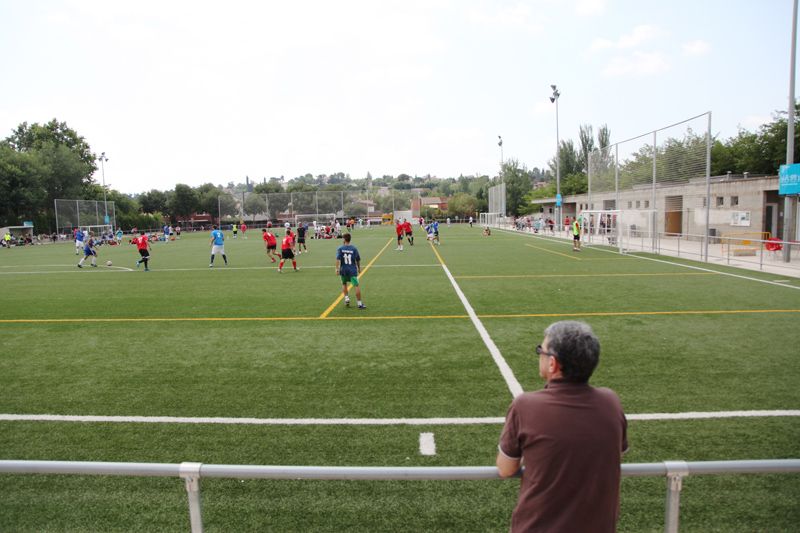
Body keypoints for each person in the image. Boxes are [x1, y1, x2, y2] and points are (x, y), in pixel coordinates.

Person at [496, 321, 628, 533]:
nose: (539, 354)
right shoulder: (611, 402)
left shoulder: (525, 405)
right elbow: (616, 454)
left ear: (553, 363)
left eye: (541, 350)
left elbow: (505, 468)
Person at [335, 232, 365, 309]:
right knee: (356, 285)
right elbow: (357, 259)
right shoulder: (354, 248)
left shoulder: (340, 248)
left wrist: (337, 269)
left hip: (344, 270)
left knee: (344, 283)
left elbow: (338, 259)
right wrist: (359, 268)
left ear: (344, 239)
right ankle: (359, 303)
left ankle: (346, 298)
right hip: (352, 270)